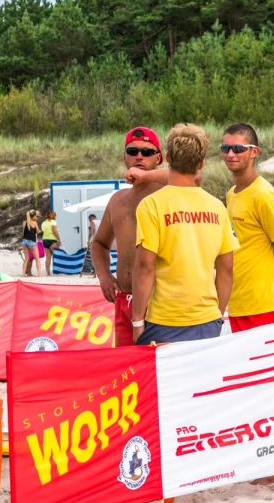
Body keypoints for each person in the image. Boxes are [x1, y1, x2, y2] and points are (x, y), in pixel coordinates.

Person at [132, 123, 239, 345]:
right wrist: (217, 315)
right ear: (201, 164)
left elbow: (145, 268)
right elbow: (226, 269)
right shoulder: (217, 207)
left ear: (167, 157)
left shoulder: (151, 205)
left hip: (164, 321)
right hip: (207, 319)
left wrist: (137, 322)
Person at [91, 127, 169, 347]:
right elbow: (99, 244)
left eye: (147, 152)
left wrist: (145, 176)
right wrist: (104, 275)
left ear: (159, 158)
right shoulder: (118, 200)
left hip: (159, 301)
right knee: (127, 364)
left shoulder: (169, 191)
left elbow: (194, 178)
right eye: (133, 151)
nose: (139, 156)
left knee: (157, 364)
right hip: (124, 299)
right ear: (124, 157)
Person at [220, 124, 274, 330]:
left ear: (254, 152)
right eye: (225, 148)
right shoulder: (232, 194)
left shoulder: (264, 196)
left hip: (265, 307)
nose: (230, 154)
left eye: (238, 148)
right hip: (239, 304)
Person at [21, 209, 43, 277]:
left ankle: (23, 274)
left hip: (24, 241)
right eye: (37, 216)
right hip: (31, 242)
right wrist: (41, 232)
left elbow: (23, 232)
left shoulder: (24, 222)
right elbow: (38, 232)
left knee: (26, 259)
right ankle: (39, 274)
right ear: (33, 216)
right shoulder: (35, 223)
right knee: (37, 259)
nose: (37, 218)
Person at [41, 210, 61, 275]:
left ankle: (48, 273)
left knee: (48, 258)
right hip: (52, 241)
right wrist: (59, 239)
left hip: (45, 241)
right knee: (57, 256)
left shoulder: (43, 223)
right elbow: (55, 231)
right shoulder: (53, 222)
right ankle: (58, 271)